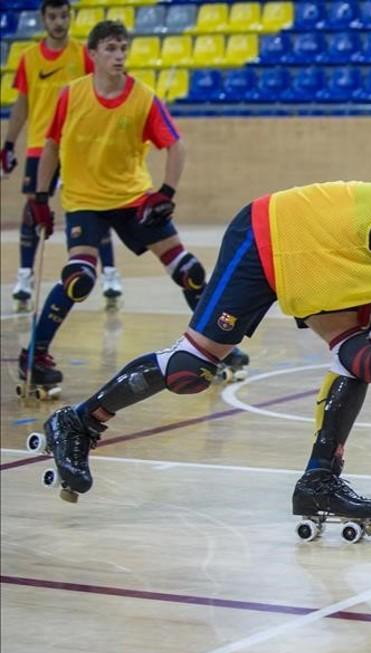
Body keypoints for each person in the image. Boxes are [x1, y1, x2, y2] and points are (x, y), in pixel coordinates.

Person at [38, 176, 371, 526]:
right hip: (268, 236)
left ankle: (319, 482)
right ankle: (78, 422)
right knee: (192, 367)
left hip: (318, 258)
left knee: (365, 353)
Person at [19, 20, 246, 399]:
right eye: (110, 48)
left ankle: (214, 347)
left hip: (132, 198)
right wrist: (39, 199)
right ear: (92, 54)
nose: (119, 55)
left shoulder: (142, 97)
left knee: (189, 272)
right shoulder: (70, 95)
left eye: (123, 48)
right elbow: (52, 146)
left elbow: (176, 145)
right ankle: (35, 355)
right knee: (80, 279)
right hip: (84, 201)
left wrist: (166, 193)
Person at [2, 0, 122, 312]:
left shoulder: (84, 54)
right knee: (33, 209)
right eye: (53, 16)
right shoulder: (29, 58)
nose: (59, 21)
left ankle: (109, 273)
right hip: (40, 146)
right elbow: (22, 105)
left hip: (77, 146)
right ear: (43, 19)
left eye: (64, 15)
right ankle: (25, 276)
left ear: (70, 17)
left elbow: (103, 91)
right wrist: (8, 143)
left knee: (97, 205)